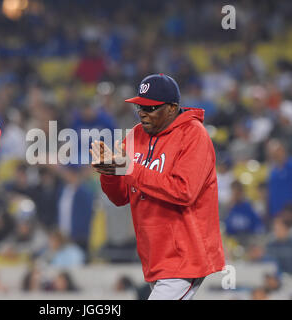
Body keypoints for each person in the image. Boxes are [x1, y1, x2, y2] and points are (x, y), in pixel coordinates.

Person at [90, 73, 225, 300]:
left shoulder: (194, 135)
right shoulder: (135, 135)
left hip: (184, 256)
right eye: (140, 106)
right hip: (154, 255)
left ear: (172, 108)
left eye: (151, 108)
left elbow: (184, 191)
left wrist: (129, 168)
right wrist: (109, 172)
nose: (143, 112)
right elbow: (120, 196)